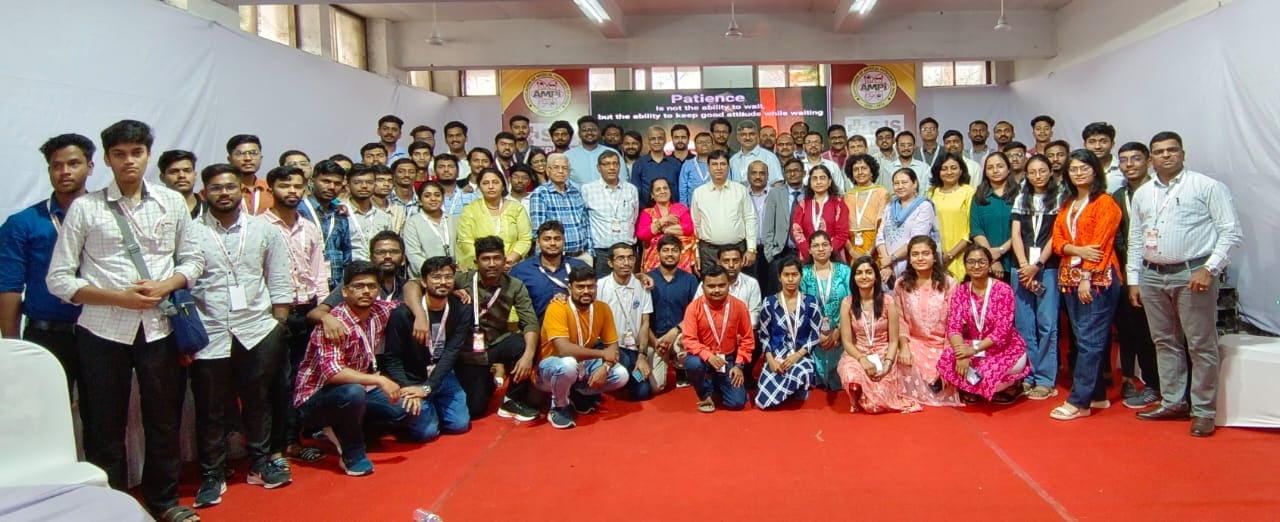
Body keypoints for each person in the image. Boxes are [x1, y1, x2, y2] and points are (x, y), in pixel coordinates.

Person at [46, 120, 204, 522]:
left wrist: (166, 284)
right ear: (106, 160)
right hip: (101, 330)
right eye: (119, 154)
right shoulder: (86, 207)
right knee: (104, 425)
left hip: (160, 327)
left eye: (136, 152)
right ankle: (111, 507)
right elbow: (59, 279)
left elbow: (193, 260)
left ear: (148, 155)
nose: (129, 161)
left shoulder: (171, 202)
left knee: (164, 419)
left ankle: (164, 502)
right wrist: (119, 298)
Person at [187, 163, 293, 507]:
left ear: (241, 190)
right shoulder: (190, 232)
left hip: (257, 328)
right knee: (211, 408)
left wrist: (279, 324)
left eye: (230, 187)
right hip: (210, 330)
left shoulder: (263, 230)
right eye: (216, 188)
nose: (224, 193)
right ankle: (212, 474)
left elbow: (279, 277)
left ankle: (259, 464)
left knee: (258, 400)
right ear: (204, 193)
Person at [1128, 132, 1241, 437]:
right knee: (1164, 341)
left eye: (1172, 150)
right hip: (1152, 274)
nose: (1166, 155)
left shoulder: (1206, 186)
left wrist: (1210, 269)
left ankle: (1203, 410)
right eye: (1159, 151)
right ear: (1150, 158)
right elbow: (1136, 238)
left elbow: (1230, 232)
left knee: (1200, 344)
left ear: (1182, 153)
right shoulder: (1143, 193)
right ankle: (1173, 401)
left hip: (1192, 274)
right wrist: (1134, 279)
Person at [293, 261, 420, 478]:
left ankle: (341, 429)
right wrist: (379, 380)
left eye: (372, 286)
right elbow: (333, 372)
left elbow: (412, 292)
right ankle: (352, 452)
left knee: (407, 409)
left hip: (360, 389)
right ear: (345, 291)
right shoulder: (333, 323)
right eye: (358, 286)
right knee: (352, 392)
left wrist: (423, 314)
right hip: (316, 397)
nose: (366, 291)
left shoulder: (380, 311)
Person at [405, 237, 541, 422]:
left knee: (524, 343)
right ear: (476, 262)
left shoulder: (515, 285)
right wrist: (420, 314)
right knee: (475, 409)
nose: (491, 264)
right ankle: (487, 380)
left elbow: (530, 322)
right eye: (486, 259)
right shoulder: (461, 279)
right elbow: (411, 285)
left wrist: (528, 356)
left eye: (497, 258)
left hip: (496, 343)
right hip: (467, 352)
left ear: (504, 260)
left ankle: (511, 400)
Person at [0, 134, 92, 400]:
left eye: (73, 163)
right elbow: (9, 287)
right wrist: (12, 347)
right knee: (40, 414)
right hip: (46, 335)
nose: (65, 171)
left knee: (102, 418)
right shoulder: (23, 223)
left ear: (90, 167)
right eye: (56, 165)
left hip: (100, 333)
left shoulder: (109, 217)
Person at [259, 165, 330, 466]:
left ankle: (293, 440)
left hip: (307, 309)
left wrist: (324, 310)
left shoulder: (309, 227)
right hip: (273, 314)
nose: (292, 191)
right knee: (276, 381)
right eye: (285, 186)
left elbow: (319, 272)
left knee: (302, 378)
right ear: (270, 189)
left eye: (297, 186)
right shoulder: (259, 226)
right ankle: (273, 447)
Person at [1048, 150, 1124, 421]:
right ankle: (1098, 395)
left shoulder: (1105, 203)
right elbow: (1058, 241)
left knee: (1090, 340)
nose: (1078, 173)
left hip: (1096, 279)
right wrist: (1076, 249)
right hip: (1069, 277)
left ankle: (1079, 402)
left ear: (1095, 170)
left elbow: (1100, 245)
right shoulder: (1068, 203)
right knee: (1084, 339)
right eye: (1073, 169)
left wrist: (1086, 277)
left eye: (1084, 168)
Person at [382, 256, 472, 442]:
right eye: (436, 277)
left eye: (448, 277)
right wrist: (407, 387)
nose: (443, 282)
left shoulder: (461, 309)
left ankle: (431, 404)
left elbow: (451, 352)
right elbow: (391, 358)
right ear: (423, 282)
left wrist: (429, 387)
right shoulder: (403, 315)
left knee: (459, 425)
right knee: (426, 433)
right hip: (411, 377)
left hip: (441, 374)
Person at [536, 265, 629, 428]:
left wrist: (605, 367)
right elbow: (563, 350)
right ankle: (559, 406)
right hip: (550, 368)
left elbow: (613, 348)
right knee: (568, 364)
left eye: (590, 286)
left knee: (621, 375)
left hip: (582, 365)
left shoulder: (602, 308)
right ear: (570, 288)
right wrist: (602, 355)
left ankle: (577, 394)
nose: (586, 291)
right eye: (580, 287)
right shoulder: (557, 307)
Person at [937, 245, 1030, 403]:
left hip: (1004, 347)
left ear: (990, 264)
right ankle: (977, 388)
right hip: (974, 345)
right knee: (947, 358)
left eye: (981, 262)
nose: (976, 266)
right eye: (971, 262)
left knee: (987, 371)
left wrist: (971, 351)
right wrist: (961, 353)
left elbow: (1002, 332)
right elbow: (954, 327)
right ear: (965, 265)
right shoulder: (961, 291)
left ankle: (1011, 386)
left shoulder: (1003, 290)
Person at [1009, 153, 1064, 400]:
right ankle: (1027, 375)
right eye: (1032, 172)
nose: (1037, 176)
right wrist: (1023, 265)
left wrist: (1037, 264)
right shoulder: (1021, 197)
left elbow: (1057, 236)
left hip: (1047, 267)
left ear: (1050, 172)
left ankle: (1045, 379)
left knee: (1047, 324)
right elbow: (1016, 234)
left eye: (1042, 171)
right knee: (1023, 324)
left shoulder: (1061, 197)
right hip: (1020, 268)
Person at [1111, 142, 1161, 409]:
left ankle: (1171, 386)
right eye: (1123, 160)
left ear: (1148, 161)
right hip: (1128, 274)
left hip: (1160, 268)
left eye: (1135, 158)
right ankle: (1140, 381)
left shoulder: (1160, 191)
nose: (1129, 164)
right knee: (1133, 329)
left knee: (1162, 333)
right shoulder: (1118, 197)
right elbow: (1117, 236)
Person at [836, 256, 919, 413]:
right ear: (853, 278)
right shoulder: (847, 303)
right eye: (859, 273)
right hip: (858, 354)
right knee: (851, 375)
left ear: (876, 276)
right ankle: (857, 390)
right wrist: (862, 359)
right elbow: (847, 342)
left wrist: (887, 364)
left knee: (877, 404)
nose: (864, 276)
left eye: (868, 272)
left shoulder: (888, 302)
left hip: (884, 353)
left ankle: (867, 395)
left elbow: (893, 341)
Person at [893, 236, 962, 406]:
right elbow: (900, 319)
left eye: (925, 253)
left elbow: (954, 322)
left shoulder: (949, 283)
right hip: (914, 343)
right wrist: (904, 347)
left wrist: (948, 354)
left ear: (934, 256)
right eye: (915, 254)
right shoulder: (901, 284)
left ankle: (934, 383)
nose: (920, 258)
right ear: (909, 259)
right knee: (900, 361)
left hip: (943, 345)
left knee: (947, 370)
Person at [682, 265, 754, 412]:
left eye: (721, 285)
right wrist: (708, 356)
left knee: (737, 403)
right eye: (711, 286)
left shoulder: (739, 306)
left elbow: (748, 339)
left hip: (727, 359)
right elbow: (689, 340)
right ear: (703, 287)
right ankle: (704, 394)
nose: (716, 290)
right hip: (702, 358)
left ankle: (717, 383)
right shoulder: (693, 308)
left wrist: (739, 365)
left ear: (729, 285)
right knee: (693, 364)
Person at [598, 242, 662, 399]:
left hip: (633, 347)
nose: (626, 263)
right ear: (610, 263)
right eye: (620, 258)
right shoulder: (600, 286)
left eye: (630, 258)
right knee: (625, 362)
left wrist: (642, 356)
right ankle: (619, 375)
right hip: (608, 346)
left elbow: (645, 323)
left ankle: (630, 378)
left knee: (643, 392)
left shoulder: (643, 285)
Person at [755, 256, 821, 409]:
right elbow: (764, 335)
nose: (790, 279)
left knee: (801, 372)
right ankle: (792, 390)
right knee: (762, 401)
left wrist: (796, 356)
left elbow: (815, 335)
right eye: (786, 275)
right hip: (776, 355)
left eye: (794, 275)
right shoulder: (769, 303)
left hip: (801, 355)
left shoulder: (811, 302)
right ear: (779, 277)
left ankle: (799, 387)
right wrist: (770, 360)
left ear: (801, 276)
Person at [690, 150, 757, 275]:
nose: (719, 168)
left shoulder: (740, 190)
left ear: (728, 166)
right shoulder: (699, 193)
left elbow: (750, 219)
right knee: (712, 285)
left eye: (723, 164)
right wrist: (696, 254)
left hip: (737, 250)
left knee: (740, 284)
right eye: (714, 164)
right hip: (708, 252)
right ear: (708, 168)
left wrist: (752, 249)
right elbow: (695, 225)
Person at [799, 231, 850, 392]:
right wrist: (817, 334)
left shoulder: (844, 271)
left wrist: (838, 331)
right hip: (813, 336)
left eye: (824, 245)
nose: (820, 249)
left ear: (831, 247)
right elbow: (801, 308)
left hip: (842, 335)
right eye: (815, 246)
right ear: (809, 250)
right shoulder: (803, 273)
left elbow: (852, 302)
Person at [647, 234, 700, 388]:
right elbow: (641, 318)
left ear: (680, 253)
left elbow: (695, 313)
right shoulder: (647, 279)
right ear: (658, 253)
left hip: (680, 335)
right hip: (654, 338)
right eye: (666, 250)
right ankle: (636, 377)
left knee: (684, 345)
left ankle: (681, 370)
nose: (670, 254)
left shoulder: (690, 280)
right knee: (655, 387)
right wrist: (655, 341)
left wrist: (676, 331)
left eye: (674, 250)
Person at [508, 220, 589, 318]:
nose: (552, 243)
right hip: (537, 326)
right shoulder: (521, 271)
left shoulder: (580, 267)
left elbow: (591, 299)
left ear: (564, 241)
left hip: (575, 324)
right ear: (538, 242)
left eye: (557, 239)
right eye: (547, 239)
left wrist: (570, 299)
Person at [456, 168, 532, 270]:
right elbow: (465, 241)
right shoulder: (469, 210)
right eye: (485, 183)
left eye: (495, 182)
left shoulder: (517, 208)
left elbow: (525, 239)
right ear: (479, 187)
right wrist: (487, 261)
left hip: (511, 267)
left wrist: (508, 260)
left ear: (503, 186)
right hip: (481, 268)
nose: (491, 187)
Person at [581, 150, 639, 276]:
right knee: (602, 286)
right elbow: (583, 220)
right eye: (606, 164)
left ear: (619, 166)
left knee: (629, 286)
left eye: (615, 163)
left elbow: (634, 218)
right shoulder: (588, 189)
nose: (611, 168)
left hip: (628, 251)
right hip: (602, 252)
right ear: (598, 168)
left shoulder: (631, 189)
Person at [528, 152, 592, 263]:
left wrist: (590, 252)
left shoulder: (575, 192)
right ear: (548, 170)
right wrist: (542, 260)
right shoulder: (540, 193)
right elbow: (538, 231)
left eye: (565, 168)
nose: (561, 171)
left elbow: (585, 224)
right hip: (555, 258)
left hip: (582, 256)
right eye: (556, 167)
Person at [298, 160, 352, 290]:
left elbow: (346, 254)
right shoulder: (299, 210)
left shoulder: (340, 213)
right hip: (306, 284)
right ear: (312, 182)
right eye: (326, 181)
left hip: (336, 284)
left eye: (337, 183)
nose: (332, 187)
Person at [876, 168, 938, 280]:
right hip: (888, 268)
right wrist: (886, 264)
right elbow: (880, 237)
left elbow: (916, 240)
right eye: (896, 183)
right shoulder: (889, 207)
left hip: (913, 264)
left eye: (904, 182)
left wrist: (891, 258)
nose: (900, 186)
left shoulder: (923, 206)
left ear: (915, 184)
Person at [928, 152, 976, 280]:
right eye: (944, 168)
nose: (949, 172)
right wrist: (937, 255)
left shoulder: (969, 192)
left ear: (961, 171)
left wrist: (950, 254)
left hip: (960, 253)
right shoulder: (932, 192)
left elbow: (971, 228)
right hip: (936, 255)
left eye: (953, 168)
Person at [970, 152, 1017, 281]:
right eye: (990, 167)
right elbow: (976, 230)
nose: (995, 171)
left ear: (1008, 169)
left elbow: (1023, 230)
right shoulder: (979, 196)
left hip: (1015, 261)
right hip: (987, 263)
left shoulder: (1020, 195)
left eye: (1000, 166)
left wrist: (1001, 251)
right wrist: (991, 257)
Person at [790, 165, 849, 263]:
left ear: (829, 182)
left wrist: (826, 252)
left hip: (833, 257)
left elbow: (842, 233)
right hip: (807, 258)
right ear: (810, 183)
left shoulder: (838, 204)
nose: (818, 182)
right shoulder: (802, 205)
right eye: (814, 178)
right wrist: (810, 252)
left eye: (822, 178)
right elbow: (796, 231)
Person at [637, 177, 696, 273]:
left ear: (670, 191)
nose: (662, 191)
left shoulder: (680, 208)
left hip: (680, 260)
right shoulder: (647, 212)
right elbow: (642, 234)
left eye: (665, 188)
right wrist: (663, 220)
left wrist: (662, 229)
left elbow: (688, 229)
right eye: (658, 189)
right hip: (654, 262)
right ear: (652, 195)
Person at [761, 158, 806, 283]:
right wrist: (770, 255)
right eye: (788, 171)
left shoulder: (810, 193)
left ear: (804, 173)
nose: (792, 174)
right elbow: (768, 226)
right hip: (780, 253)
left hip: (804, 252)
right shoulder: (775, 193)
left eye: (796, 170)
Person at [403, 181, 458, 278]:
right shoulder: (412, 223)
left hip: (453, 275)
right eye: (427, 196)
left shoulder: (454, 220)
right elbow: (414, 254)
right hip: (425, 276)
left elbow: (460, 247)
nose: (433, 199)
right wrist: (434, 274)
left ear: (443, 198)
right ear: (420, 201)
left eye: (437, 195)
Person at [343, 163, 396, 262]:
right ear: (348, 186)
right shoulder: (340, 213)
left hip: (378, 268)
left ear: (374, 185)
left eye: (369, 182)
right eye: (357, 182)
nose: (364, 186)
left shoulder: (383, 217)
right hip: (350, 267)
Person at [843, 154, 891, 260]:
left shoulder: (882, 193)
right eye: (856, 169)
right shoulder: (848, 196)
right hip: (853, 247)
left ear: (871, 171)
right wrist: (852, 251)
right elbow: (842, 226)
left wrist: (870, 251)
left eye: (864, 168)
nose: (860, 172)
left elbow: (882, 224)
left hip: (877, 245)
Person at [631, 125, 683, 207]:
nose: (657, 141)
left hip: (673, 211)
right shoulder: (639, 164)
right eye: (653, 139)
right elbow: (635, 192)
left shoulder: (675, 163)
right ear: (648, 141)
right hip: (646, 211)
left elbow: (681, 190)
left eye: (660, 138)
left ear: (665, 140)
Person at [228, 134, 272, 215]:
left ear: (261, 158)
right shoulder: (220, 191)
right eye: (240, 153)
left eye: (253, 153)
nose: (248, 158)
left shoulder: (271, 189)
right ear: (229, 159)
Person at [158, 150, 203, 219]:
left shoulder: (212, 209)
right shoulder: (155, 210)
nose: (182, 175)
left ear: (195, 175)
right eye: (174, 171)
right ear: (162, 178)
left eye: (187, 171)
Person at [1082, 122, 1124, 193]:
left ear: (1112, 143)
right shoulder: (1079, 170)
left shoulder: (1123, 168)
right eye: (1092, 142)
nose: (1097, 146)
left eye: (1103, 141)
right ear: (1085, 145)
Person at [566, 115, 607, 187]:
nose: (589, 133)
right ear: (579, 134)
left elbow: (622, 182)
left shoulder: (612, 153)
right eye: (584, 130)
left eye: (593, 130)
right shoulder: (567, 156)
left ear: (599, 132)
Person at [434, 154, 478, 218]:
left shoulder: (471, 197)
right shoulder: (428, 198)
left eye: (451, 167)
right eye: (441, 167)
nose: (446, 170)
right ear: (435, 172)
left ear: (458, 172)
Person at [679, 132, 714, 204]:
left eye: (708, 142)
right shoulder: (687, 164)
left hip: (715, 205)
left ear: (713, 145)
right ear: (695, 146)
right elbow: (683, 189)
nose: (704, 144)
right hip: (693, 207)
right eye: (700, 142)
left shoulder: (719, 163)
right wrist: (684, 208)